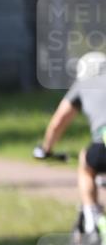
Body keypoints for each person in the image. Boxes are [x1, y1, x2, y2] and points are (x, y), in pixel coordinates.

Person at [35, 51, 106, 234]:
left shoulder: (82, 84)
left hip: (102, 145)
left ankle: (92, 214)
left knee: (86, 165)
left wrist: (46, 148)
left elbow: (59, 121)